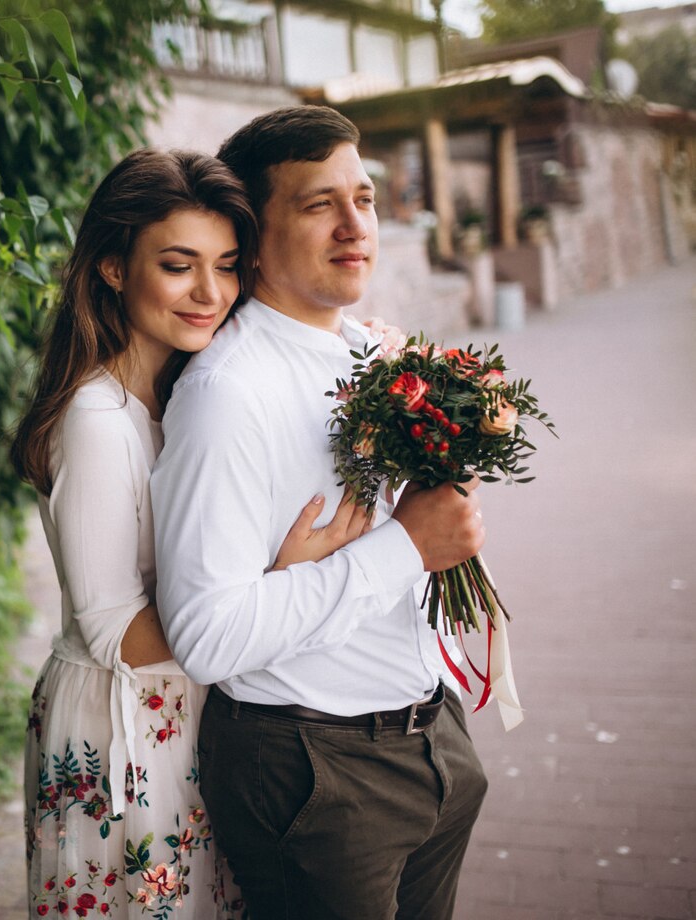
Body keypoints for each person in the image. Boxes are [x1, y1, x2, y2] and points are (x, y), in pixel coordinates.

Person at [11, 147, 374, 918]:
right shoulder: (96, 421)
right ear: (113, 267)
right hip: (127, 721)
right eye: (179, 266)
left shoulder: (180, 385)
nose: (210, 292)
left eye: (228, 264)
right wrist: (276, 583)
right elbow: (114, 629)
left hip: (188, 708)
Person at [150, 106, 490, 919]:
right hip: (318, 772)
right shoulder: (229, 396)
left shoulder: (370, 353)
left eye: (364, 199)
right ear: (253, 238)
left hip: (431, 735)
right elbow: (205, 635)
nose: (354, 225)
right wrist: (406, 548)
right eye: (317, 205)